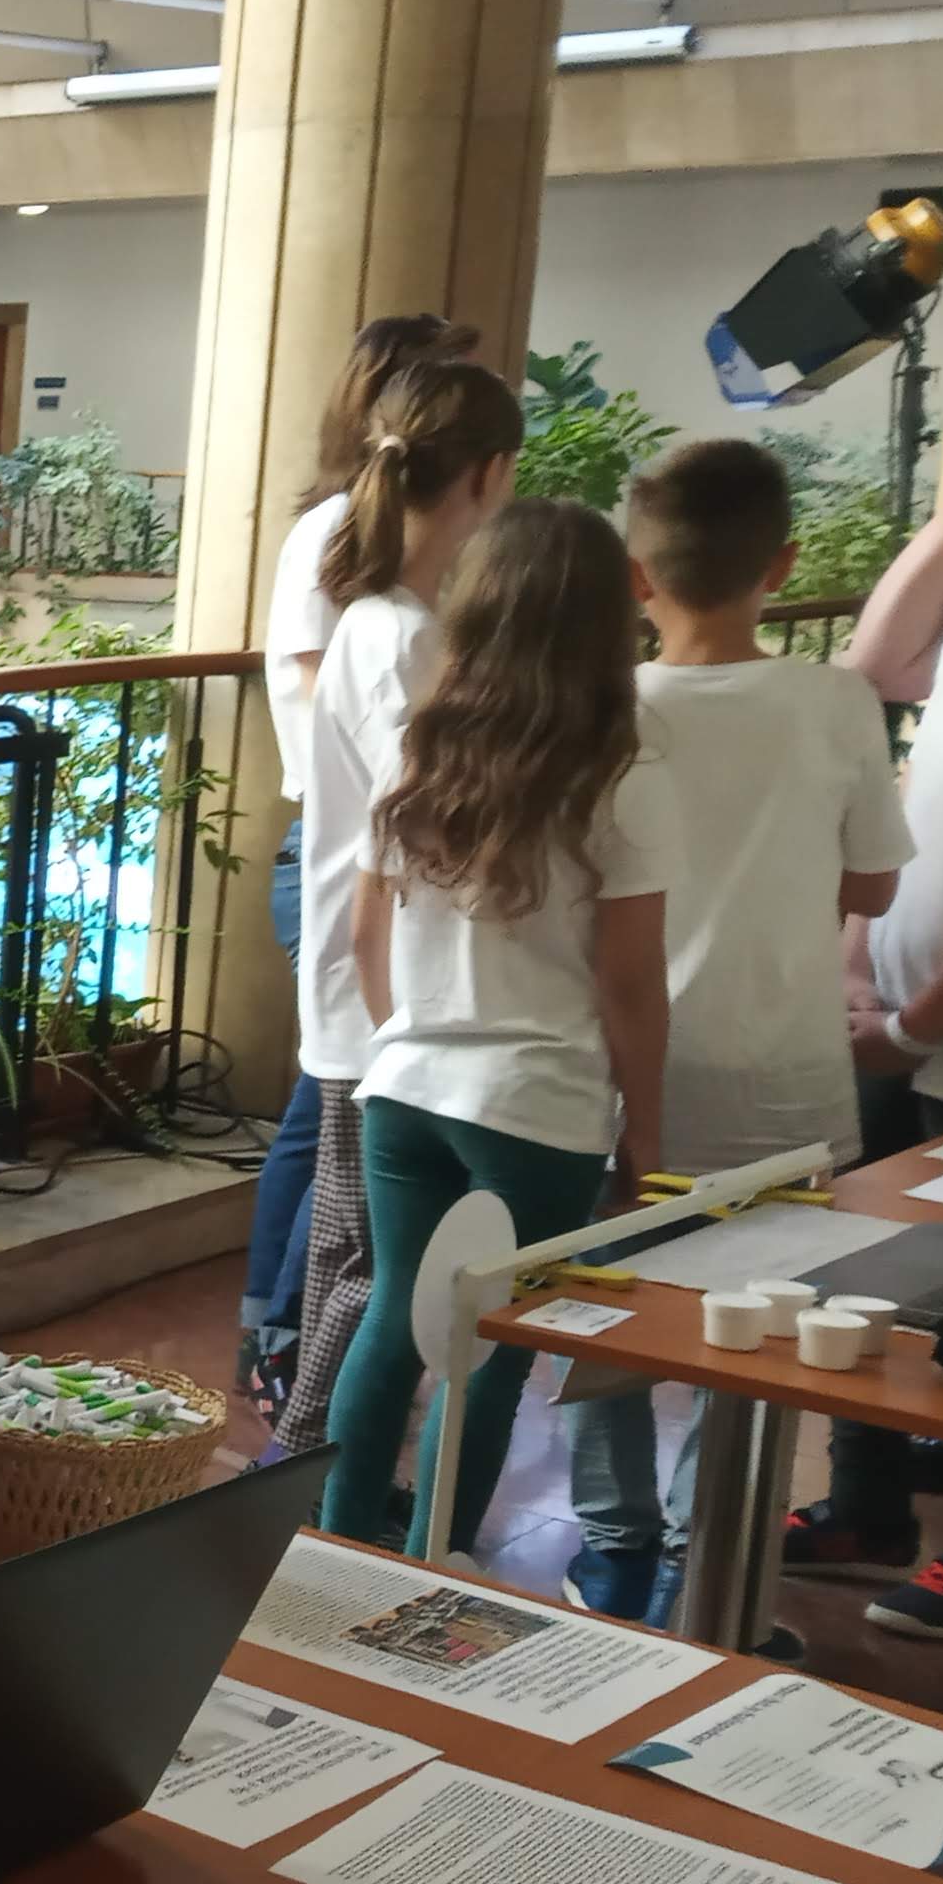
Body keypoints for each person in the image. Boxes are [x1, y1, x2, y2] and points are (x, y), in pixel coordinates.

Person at [556, 442, 905, 1620]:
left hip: (624, 1075)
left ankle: (612, 1550)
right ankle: (709, 1575)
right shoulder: (834, 700)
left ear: (636, 577)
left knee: (606, 1311)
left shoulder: (604, 706)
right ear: (782, 565)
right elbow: (871, 889)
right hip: (788, 1083)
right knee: (753, 1340)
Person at [321, 498, 675, 1558]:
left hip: (406, 1086)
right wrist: (646, 1133)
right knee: (487, 1351)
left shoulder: (419, 753)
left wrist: (410, 1041)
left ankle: (333, 1550)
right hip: (536, 1105)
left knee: (393, 1319)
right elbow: (628, 983)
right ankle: (432, 1567)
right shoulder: (621, 776)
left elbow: (364, 935)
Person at [285, 360, 528, 1464]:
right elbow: (422, 828)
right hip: (379, 997)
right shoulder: (395, 635)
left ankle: (313, 1475)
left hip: (388, 991)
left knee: (365, 1260)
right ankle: (300, 1474)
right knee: (367, 1269)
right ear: (487, 475)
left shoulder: (403, 620)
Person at [242, 314, 476, 1418]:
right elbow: (327, 703)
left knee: (328, 1130)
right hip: (346, 865)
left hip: (358, 862)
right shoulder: (349, 556)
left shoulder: (393, 588)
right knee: (338, 1143)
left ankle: (287, 1358)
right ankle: (289, 1364)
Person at [807, 478, 943, 1636]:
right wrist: (856, 957)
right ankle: (861, 1506)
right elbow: (872, 665)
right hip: (902, 1019)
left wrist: (912, 1024)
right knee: (861, 1272)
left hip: (941, 1033)